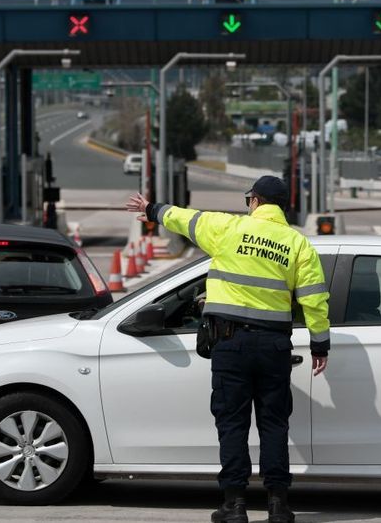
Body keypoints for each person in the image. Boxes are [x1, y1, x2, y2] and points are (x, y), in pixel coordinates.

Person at [125, 175, 330, 523]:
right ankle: (278, 505)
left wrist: (151, 210)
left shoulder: (228, 228)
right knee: (274, 424)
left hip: (230, 343)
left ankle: (234, 505)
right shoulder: (298, 244)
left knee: (232, 423)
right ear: (282, 206)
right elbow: (314, 300)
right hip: (274, 347)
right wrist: (320, 344)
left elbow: (185, 218)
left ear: (254, 201)